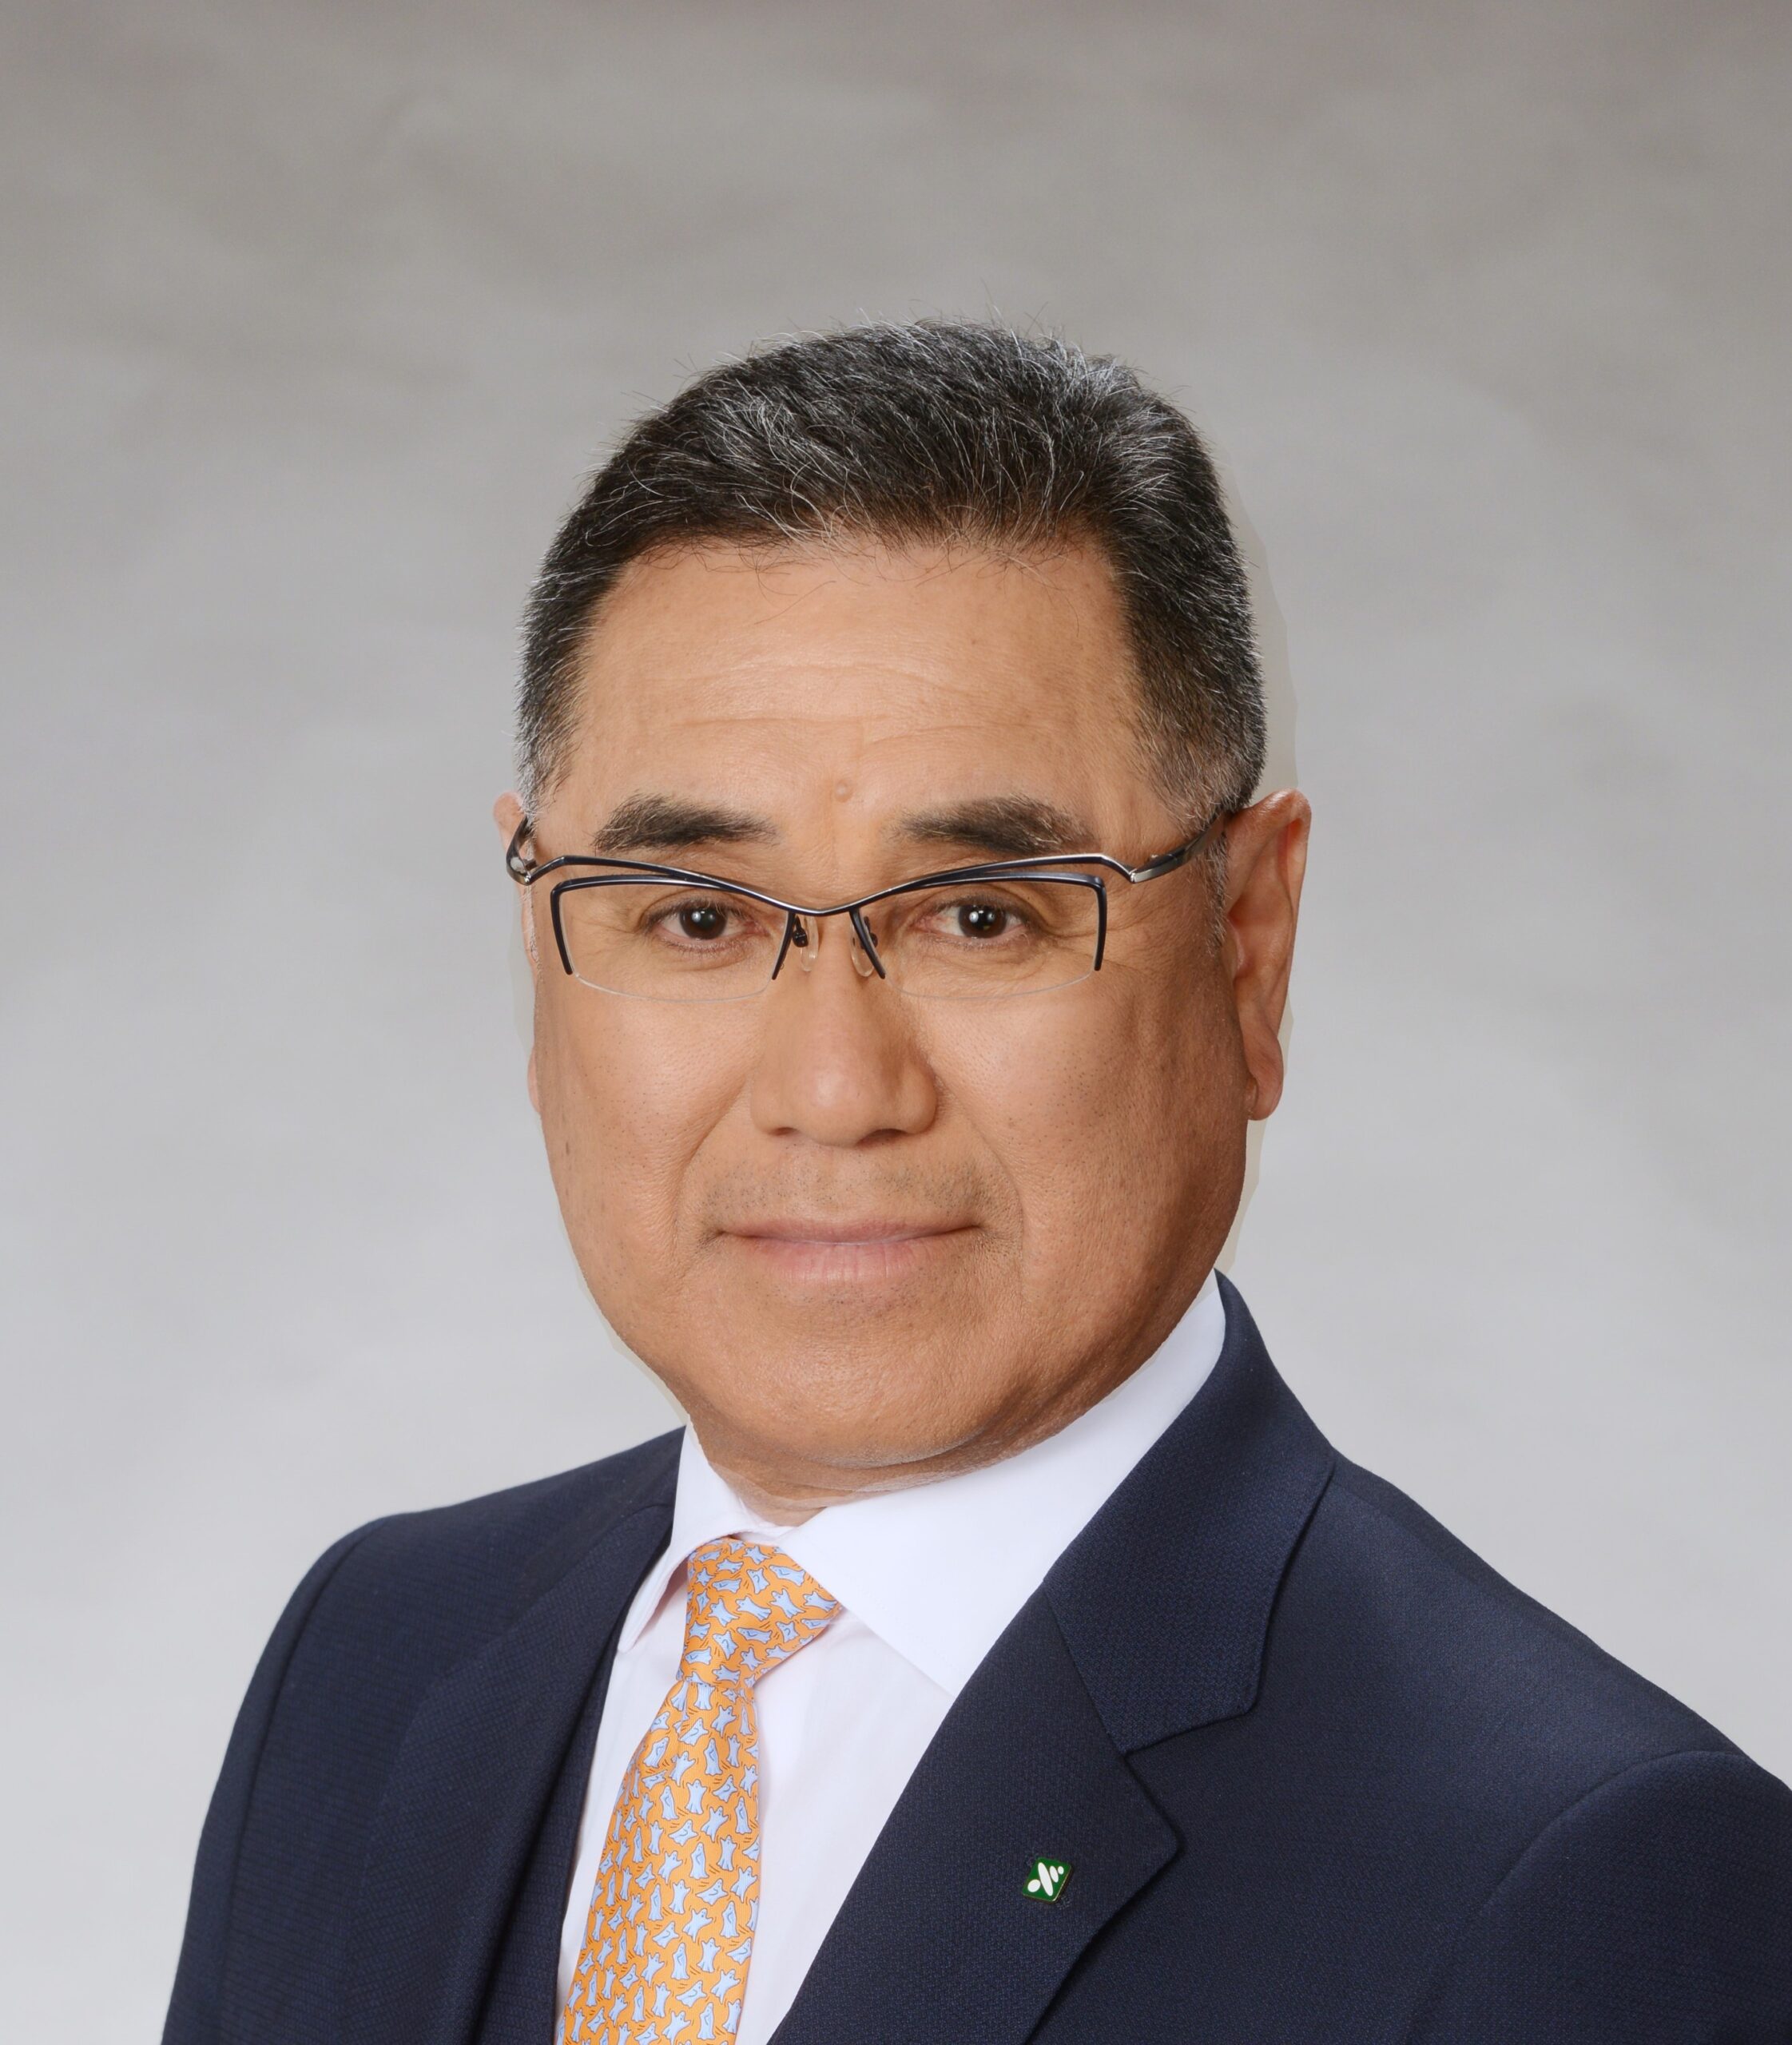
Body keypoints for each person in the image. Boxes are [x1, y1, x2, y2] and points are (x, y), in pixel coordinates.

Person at [162, 321, 1792, 2045]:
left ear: (1247, 948)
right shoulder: (376, 1660)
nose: (833, 1090)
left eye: (983, 915)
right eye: (696, 918)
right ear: (541, 944)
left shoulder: (1589, 1881)